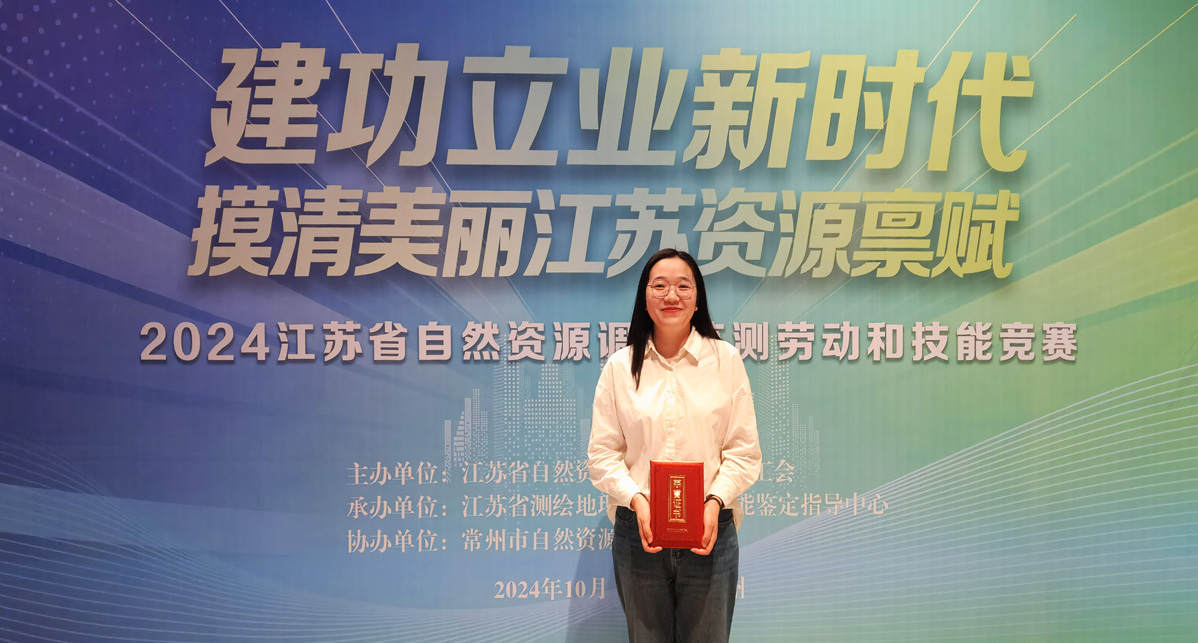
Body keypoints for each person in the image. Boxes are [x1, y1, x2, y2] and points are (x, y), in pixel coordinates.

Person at [588, 248, 762, 643]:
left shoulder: (726, 361)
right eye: (660, 286)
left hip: (709, 532)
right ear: (644, 298)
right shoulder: (619, 367)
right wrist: (638, 501)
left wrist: (713, 502)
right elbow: (602, 455)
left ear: (697, 299)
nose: (671, 295)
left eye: (684, 286)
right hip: (639, 534)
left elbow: (743, 452)